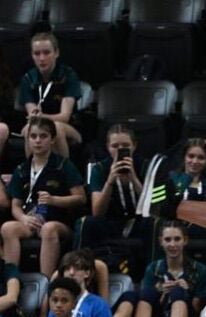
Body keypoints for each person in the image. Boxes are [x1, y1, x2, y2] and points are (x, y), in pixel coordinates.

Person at [1, 117, 85, 277]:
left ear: (52, 139)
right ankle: (10, 281)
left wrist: (55, 200)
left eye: (43, 136)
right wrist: (23, 219)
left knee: (48, 229)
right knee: (8, 228)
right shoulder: (21, 169)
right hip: (31, 220)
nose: (38, 141)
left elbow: (80, 198)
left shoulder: (63, 165)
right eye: (33, 136)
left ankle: (46, 282)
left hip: (58, 222)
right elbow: (15, 205)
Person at [121, 221, 206, 317]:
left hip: (188, 315)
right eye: (168, 240)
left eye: (177, 239)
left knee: (178, 292)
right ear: (161, 241)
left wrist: (187, 291)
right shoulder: (153, 268)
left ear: (185, 241)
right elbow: (147, 300)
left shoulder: (199, 270)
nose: (172, 244)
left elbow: (199, 308)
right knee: (147, 294)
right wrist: (162, 293)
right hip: (158, 315)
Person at [78, 124, 151, 249]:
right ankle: (79, 265)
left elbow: (153, 208)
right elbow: (97, 212)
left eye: (126, 145)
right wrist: (110, 181)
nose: (120, 149)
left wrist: (133, 178)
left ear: (134, 146)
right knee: (87, 222)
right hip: (111, 222)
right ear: (108, 147)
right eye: (115, 146)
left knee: (155, 223)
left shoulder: (147, 166)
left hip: (139, 222)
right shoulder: (99, 169)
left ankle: (155, 267)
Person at [18, 33, 83, 158]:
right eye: (37, 54)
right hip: (40, 125)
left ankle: (62, 173)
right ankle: (33, 172)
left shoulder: (68, 75)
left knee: (56, 127)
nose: (42, 58)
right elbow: (33, 116)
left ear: (56, 53)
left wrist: (42, 116)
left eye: (46, 52)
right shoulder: (28, 78)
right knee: (30, 129)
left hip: (69, 126)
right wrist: (36, 116)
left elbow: (64, 117)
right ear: (32, 55)